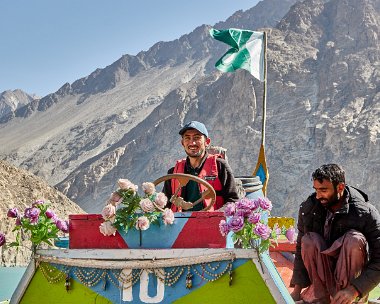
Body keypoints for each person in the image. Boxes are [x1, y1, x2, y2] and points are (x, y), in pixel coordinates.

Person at [290, 164, 380, 304]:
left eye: (324, 190)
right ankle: (319, 296)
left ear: (340, 187)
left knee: (354, 240)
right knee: (308, 240)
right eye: (316, 190)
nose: (319, 196)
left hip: (352, 287)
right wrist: (296, 291)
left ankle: (347, 299)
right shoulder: (309, 208)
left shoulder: (365, 213)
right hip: (323, 280)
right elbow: (300, 250)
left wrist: (354, 290)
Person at [163, 121, 239, 211]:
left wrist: (218, 215)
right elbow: (165, 204)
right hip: (180, 224)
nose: (192, 143)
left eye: (197, 138)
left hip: (212, 222)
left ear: (207, 142)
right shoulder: (173, 172)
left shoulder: (220, 166)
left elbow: (233, 200)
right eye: (187, 138)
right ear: (182, 143)